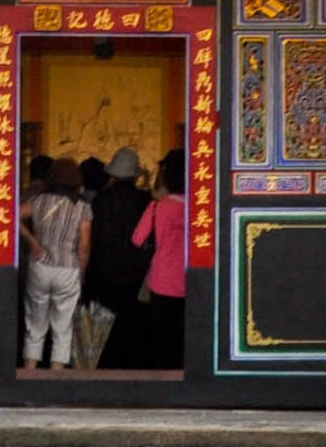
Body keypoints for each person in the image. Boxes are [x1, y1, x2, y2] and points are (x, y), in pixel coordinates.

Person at [121, 147, 195, 371]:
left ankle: (165, 379)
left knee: (163, 337)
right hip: (194, 278)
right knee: (188, 335)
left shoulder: (158, 207)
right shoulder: (200, 209)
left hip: (162, 281)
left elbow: (137, 239)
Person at [15, 157, 93, 369]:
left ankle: (30, 371)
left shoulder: (38, 200)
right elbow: (84, 244)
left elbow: (11, 216)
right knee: (63, 326)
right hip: (68, 268)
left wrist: (33, 241)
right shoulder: (82, 206)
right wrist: (81, 272)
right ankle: (55, 376)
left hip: (40, 265)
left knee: (35, 325)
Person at [79, 150, 149, 368]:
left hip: (103, 270)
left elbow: (93, 237)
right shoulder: (145, 201)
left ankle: (105, 362)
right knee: (132, 322)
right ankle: (132, 362)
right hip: (135, 272)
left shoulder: (101, 200)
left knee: (104, 323)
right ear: (135, 175)